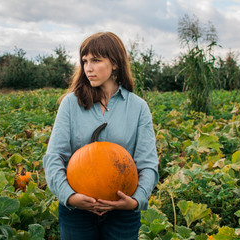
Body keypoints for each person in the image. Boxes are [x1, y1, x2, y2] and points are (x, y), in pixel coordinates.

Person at [43, 32, 159, 240]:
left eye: (96, 60)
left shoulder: (138, 107)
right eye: (85, 61)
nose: (88, 67)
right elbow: (54, 156)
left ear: (114, 63)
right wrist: (70, 197)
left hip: (123, 211)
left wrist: (135, 201)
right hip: (76, 211)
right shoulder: (71, 104)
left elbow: (147, 163)